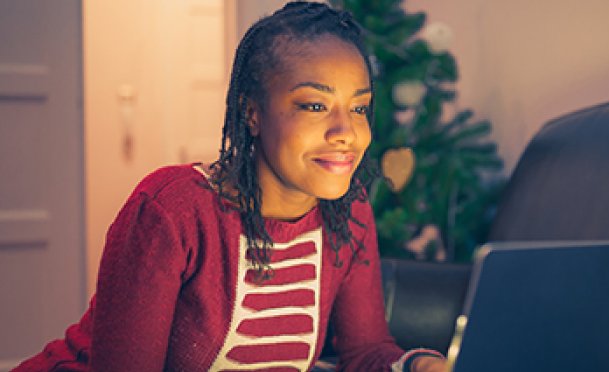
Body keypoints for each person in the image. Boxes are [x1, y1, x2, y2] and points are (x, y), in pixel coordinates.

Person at [13, 2, 447, 371]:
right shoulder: (172, 210)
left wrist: (417, 365)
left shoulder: (348, 216)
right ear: (251, 113)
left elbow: (365, 351)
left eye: (359, 107)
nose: (345, 132)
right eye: (314, 105)